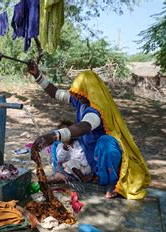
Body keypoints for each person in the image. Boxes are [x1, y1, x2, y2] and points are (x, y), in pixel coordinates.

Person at [26, 62, 150, 199]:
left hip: (101, 154)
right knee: (59, 143)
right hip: (86, 151)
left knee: (106, 142)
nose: (77, 96)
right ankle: (61, 174)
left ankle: (111, 183)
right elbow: (56, 93)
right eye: (76, 92)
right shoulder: (81, 101)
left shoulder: (97, 109)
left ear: (90, 92)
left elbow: (85, 126)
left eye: (80, 93)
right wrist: (38, 76)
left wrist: (55, 135)